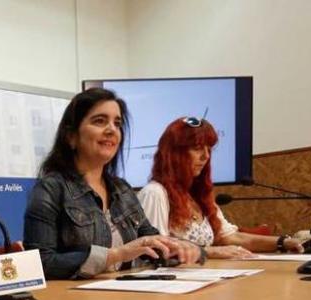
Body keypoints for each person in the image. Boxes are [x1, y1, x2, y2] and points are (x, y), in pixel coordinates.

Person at [24, 88, 201, 279]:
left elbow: (152, 241)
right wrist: (115, 255)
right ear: (71, 136)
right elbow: (41, 263)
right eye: (100, 121)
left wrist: (185, 249)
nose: (111, 130)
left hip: (127, 296)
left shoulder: (122, 189)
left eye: (117, 124)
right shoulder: (51, 188)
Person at [137, 117, 304, 258]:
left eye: (209, 149)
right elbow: (157, 252)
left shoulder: (196, 196)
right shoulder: (155, 194)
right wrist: (211, 252)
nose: (206, 156)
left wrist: (283, 242)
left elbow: (230, 237)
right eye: (197, 148)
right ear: (174, 154)